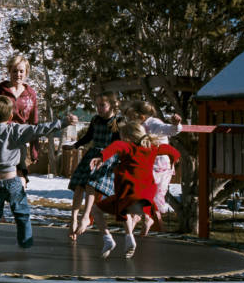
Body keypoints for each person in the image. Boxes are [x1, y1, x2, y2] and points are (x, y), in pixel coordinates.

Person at [0, 96, 78, 264]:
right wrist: (63, 123)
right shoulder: (15, 130)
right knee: (22, 212)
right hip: (12, 181)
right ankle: (25, 241)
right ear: (11, 117)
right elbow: (40, 129)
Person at [90, 121, 180, 259]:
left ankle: (110, 239)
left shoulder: (128, 147)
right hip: (145, 197)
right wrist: (174, 160)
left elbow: (116, 146)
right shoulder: (153, 147)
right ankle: (133, 232)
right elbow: (172, 150)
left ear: (127, 137)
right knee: (125, 207)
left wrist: (102, 157)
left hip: (129, 194)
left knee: (96, 210)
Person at [64, 92, 123, 241]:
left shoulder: (118, 121)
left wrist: (109, 158)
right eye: (97, 105)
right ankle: (73, 218)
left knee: (91, 184)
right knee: (78, 185)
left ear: (112, 105)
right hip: (92, 154)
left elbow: (118, 144)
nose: (99, 108)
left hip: (107, 157)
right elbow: (88, 136)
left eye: (102, 105)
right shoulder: (96, 119)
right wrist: (75, 146)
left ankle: (85, 217)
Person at [123, 101, 183, 234]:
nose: (130, 121)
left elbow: (171, 130)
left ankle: (146, 220)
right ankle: (141, 219)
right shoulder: (138, 126)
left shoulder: (154, 123)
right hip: (146, 164)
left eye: (132, 117)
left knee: (154, 196)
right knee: (142, 194)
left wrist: (176, 124)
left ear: (142, 117)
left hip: (160, 166)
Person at [0, 54, 39, 185]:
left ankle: (18, 203)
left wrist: (34, 149)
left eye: (21, 71)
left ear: (26, 72)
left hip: (19, 139)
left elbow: (34, 122)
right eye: (14, 71)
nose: (18, 74)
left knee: (19, 178)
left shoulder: (30, 94)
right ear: (9, 71)